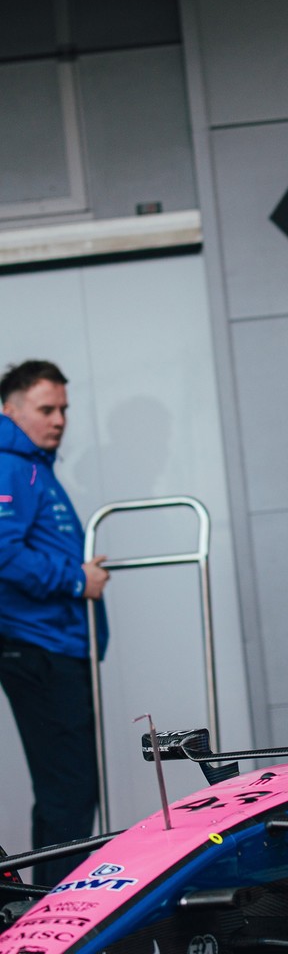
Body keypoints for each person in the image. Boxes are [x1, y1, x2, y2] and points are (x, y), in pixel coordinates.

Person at [0, 360, 110, 885]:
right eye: (47, 409)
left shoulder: (33, 467)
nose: (60, 419)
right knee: (69, 789)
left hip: (52, 645)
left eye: (64, 408)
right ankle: (60, 911)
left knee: (65, 790)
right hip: (38, 647)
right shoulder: (9, 466)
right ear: (10, 409)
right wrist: (75, 579)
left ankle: (48, 903)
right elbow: (2, 553)